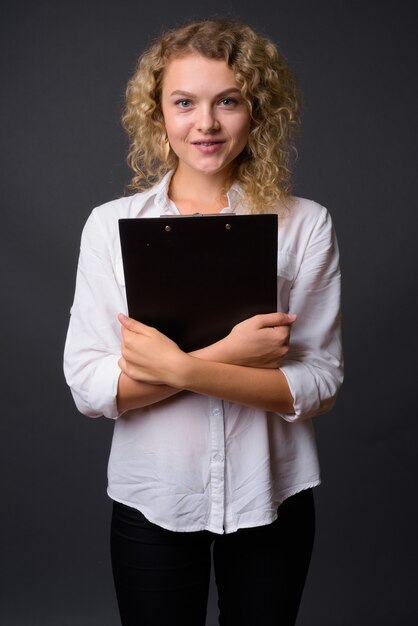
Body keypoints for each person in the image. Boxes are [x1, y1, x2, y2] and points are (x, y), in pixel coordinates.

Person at [64, 18, 343, 626]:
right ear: (158, 112)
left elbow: (318, 385)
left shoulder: (305, 224)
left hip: (271, 494)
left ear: (256, 109)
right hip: (154, 496)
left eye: (228, 101)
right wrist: (230, 355)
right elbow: (92, 388)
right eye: (184, 102)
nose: (206, 124)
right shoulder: (109, 224)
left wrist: (176, 366)